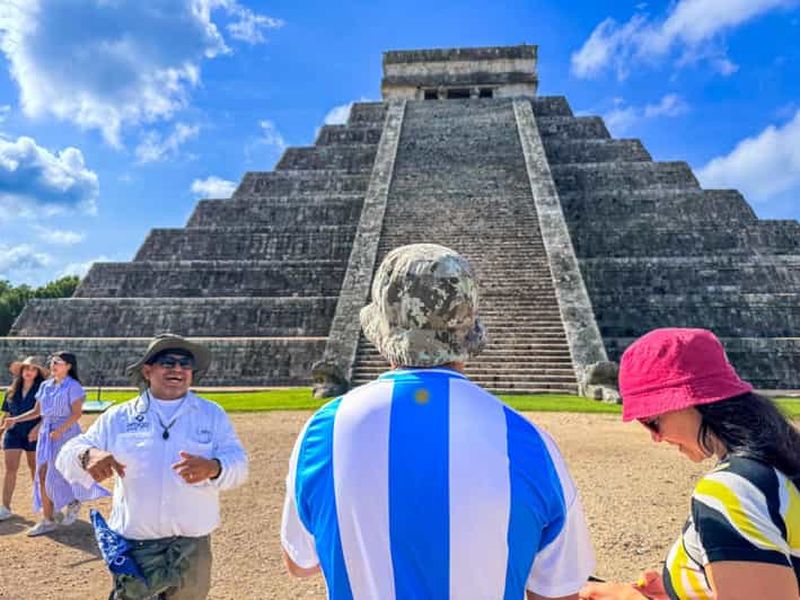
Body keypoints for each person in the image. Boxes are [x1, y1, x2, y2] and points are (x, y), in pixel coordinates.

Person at [281, 243, 596, 599]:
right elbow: (558, 591)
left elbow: (300, 562)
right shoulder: (529, 443)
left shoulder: (323, 433)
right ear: (468, 329)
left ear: (382, 330)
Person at [580, 328, 800, 600]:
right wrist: (684, 587)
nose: (655, 437)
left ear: (693, 402)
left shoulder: (732, 490)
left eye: (652, 420)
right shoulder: (779, 465)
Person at [56, 333, 248, 600]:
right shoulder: (119, 417)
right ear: (147, 371)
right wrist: (87, 455)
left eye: (185, 364)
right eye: (168, 362)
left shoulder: (211, 414)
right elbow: (66, 454)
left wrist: (214, 467)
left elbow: (239, 464)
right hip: (137, 547)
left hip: (192, 547)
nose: (178, 369)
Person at [3, 351, 108, 536]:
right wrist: (15, 419)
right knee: (42, 474)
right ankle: (48, 519)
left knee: (62, 472)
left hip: (66, 434)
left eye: (58, 362)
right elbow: (37, 412)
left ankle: (73, 499)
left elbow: (76, 413)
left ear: (68, 366)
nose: (53, 365)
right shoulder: (45, 386)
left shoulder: (73, 386)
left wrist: (60, 430)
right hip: (47, 434)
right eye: (52, 362)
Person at [0, 356, 47, 520]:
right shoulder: (11, 390)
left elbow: (47, 414)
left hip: (33, 434)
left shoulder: (43, 390)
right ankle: (5, 507)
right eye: (26, 368)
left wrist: (37, 428)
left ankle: (41, 502)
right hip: (13, 433)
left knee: (35, 469)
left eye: (33, 369)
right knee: (10, 469)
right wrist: (1, 431)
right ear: (21, 371)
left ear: (38, 373)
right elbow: (6, 414)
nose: (29, 371)